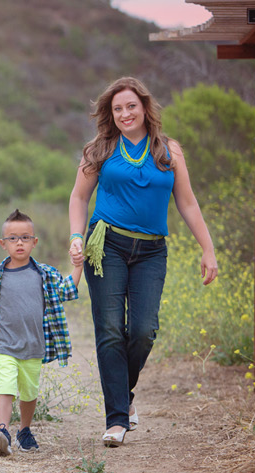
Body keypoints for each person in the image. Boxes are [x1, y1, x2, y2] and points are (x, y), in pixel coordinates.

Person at [68, 76, 219, 447]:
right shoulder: (99, 150)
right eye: (117, 108)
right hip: (106, 245)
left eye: (130, 106)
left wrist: (208, 248)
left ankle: (123, 394)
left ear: (145, 108)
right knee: (109, 330)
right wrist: (76, 236)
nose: (125, 113)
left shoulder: (169, 151)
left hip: (152, 250)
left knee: (142, 330)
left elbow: (187, 203)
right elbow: (78, 197)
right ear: (110, 113)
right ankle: (117, 419)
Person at [0, 209, 81, 456]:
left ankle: (24, 430)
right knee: (5, 387)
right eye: (13, 238)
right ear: (3, 244)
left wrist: (77, 266)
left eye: (25, 238)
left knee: (29, 392)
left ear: (34, 242)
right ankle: (2, 432)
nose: (19, 243)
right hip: (4, 344)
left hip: (34, 345)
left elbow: (66, 290)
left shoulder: (44, 274)